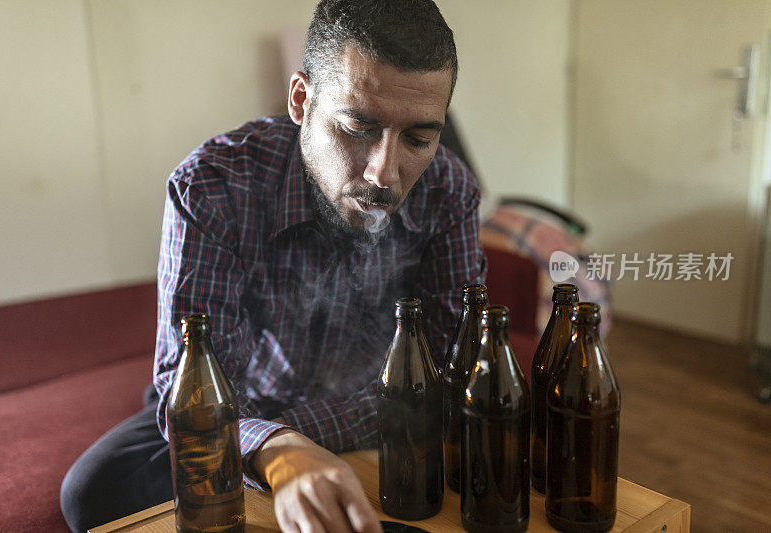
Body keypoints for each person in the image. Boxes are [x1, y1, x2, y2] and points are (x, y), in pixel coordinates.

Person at [60, 1, 486, 532]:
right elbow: (191, 385)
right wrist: (278, 449)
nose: (385, 174)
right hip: (241, 405)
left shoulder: (448, 190)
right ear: (302, 100)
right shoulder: (213, 187)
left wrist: (291, 436)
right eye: (357, 128)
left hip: (378, 405)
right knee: (94, 491)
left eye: (420, 140)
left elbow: (450, 364)